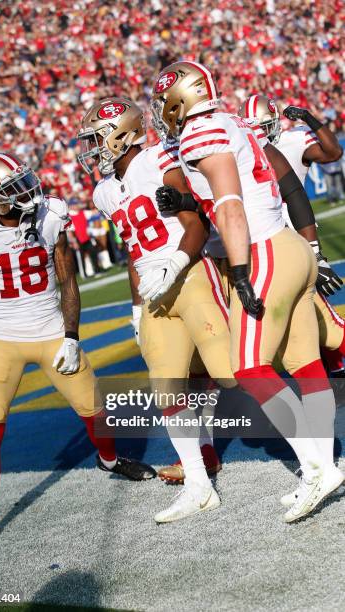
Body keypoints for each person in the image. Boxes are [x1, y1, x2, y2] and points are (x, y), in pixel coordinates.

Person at [151, 60, 344, 523]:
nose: (162, 111)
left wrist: (239, 271)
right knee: (303, 360)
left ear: (181, 98)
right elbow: (248, 185)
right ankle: (322, 463)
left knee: (251, 368)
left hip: (261, 249)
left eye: (164, 102)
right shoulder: (232, 119)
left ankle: (317, 467)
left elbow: (232, 205)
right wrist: (187, 202)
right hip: (289, 244)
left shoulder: (200, 133)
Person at [0, 152, 156, 554]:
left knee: (94, 410)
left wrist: (70, 335)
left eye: (25, 180)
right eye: (14, 188)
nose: (28, 191)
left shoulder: (51, 215)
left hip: (50, 332)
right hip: (2, 340)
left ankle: (111, 461)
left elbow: (67, 278)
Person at [78, 97, 233, 523]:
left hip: (191, 272)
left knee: (235, 370)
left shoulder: (159, 158)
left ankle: (315, 460)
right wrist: (134, 309)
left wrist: (175, 262)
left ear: (121, 134)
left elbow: (195, 220)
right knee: (167, 390)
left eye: (96, 138)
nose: (91, 147)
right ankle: (200, 486)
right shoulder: (105, 192)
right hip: (154, 293)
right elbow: (133, 251)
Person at [238, 95, 345, 381]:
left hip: (296, 238)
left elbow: (333, 153)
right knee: (306, 315)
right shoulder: (241, 149)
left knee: (319, 314)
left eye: (262, 125)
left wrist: (309, 118)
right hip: (264, 243)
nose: (258, 131)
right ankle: (331, 368)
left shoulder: (292, 141)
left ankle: (333, 367)